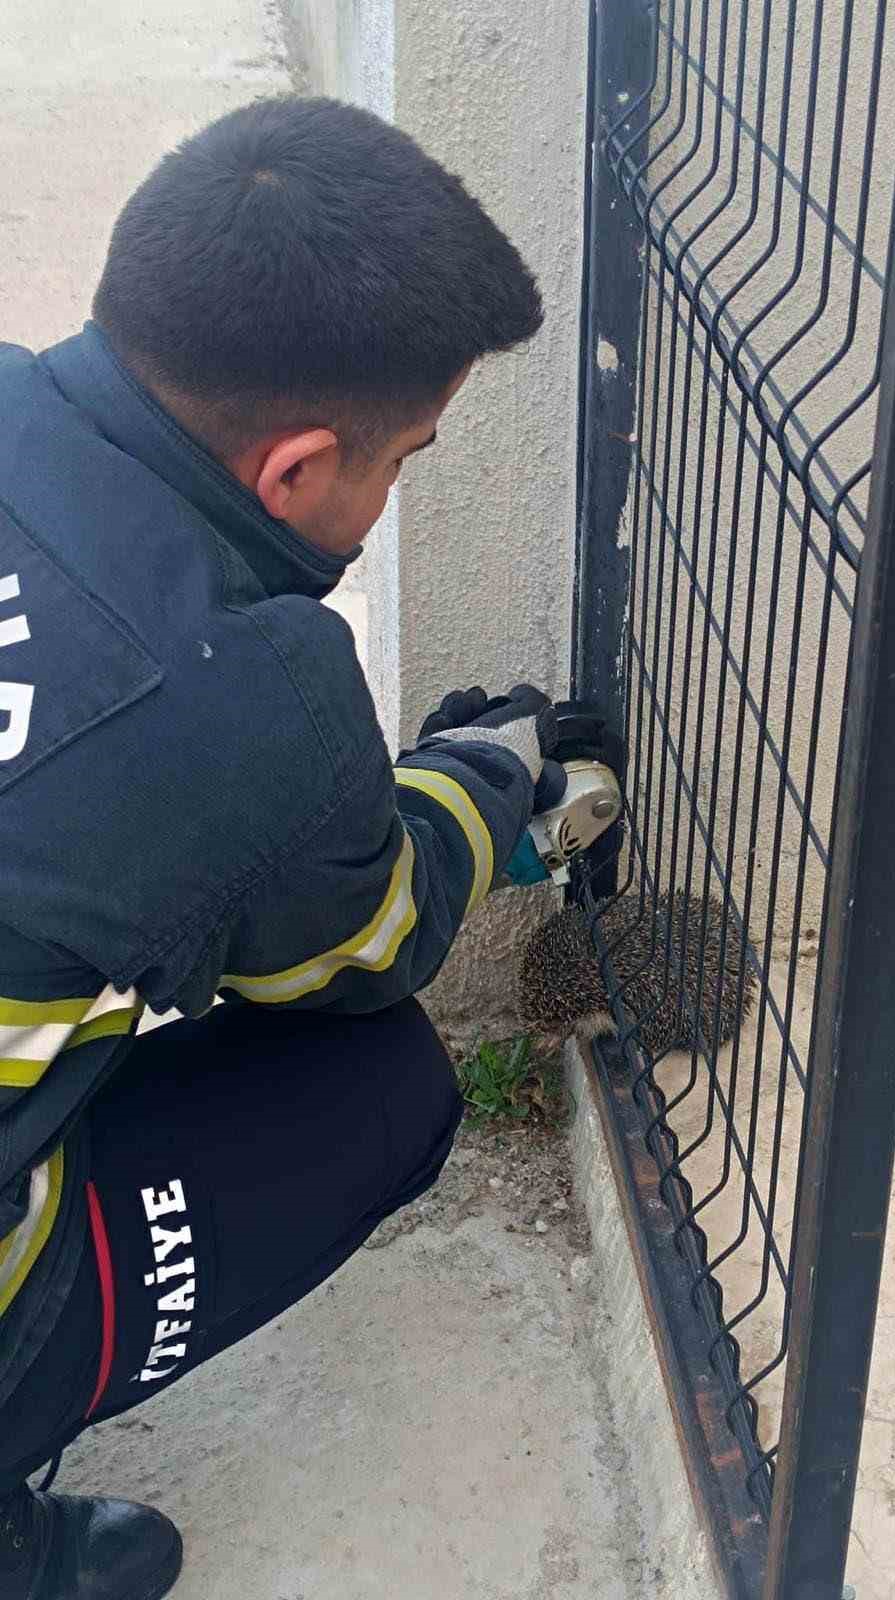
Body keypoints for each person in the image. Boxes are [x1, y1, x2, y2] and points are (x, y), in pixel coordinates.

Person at [0, 96, 555, 1600]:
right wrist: (481, 779)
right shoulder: (253, 692)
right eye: (408, 459)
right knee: (371, 1089)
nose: (392, 498)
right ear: (299, 471)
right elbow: (357, 952)